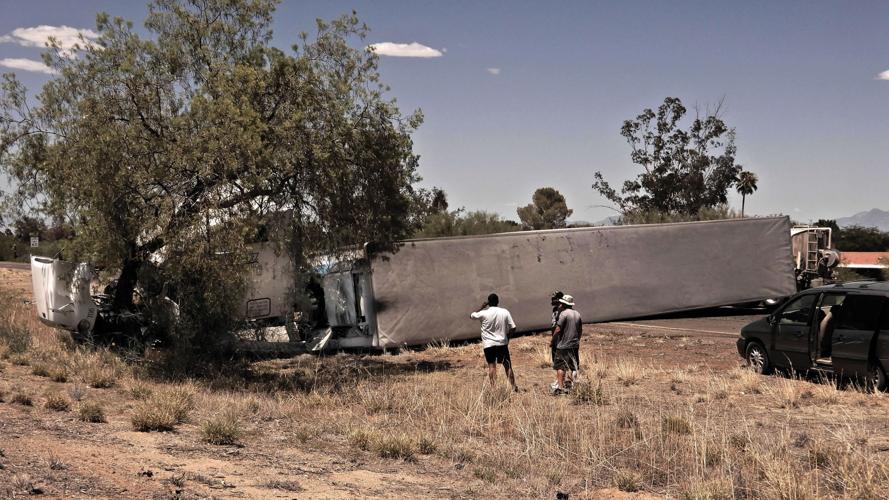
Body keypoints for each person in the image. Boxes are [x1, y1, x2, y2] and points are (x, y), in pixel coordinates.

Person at [470, 293, 518, 391]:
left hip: (488, 345)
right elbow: (513, 327)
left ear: (488, 302)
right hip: (502, 343)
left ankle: (493, 389)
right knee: (507, 365)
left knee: (491, 366)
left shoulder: (483, 313)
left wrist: (481, 307)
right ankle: (513, 387)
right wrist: (508, 338)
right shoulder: (505, 312)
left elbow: (471, 316)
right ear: (498, 301)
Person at [552, 294, 582, 394]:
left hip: (563, 345)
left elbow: (558, 329)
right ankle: (575, 387)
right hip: (574, 344)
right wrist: (577, 340)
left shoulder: (564, 314)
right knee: (574, 366)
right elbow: (580, 330)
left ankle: (560, 389)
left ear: (564, 304)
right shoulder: (577, 314)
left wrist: (553, 340)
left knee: (560, 366)